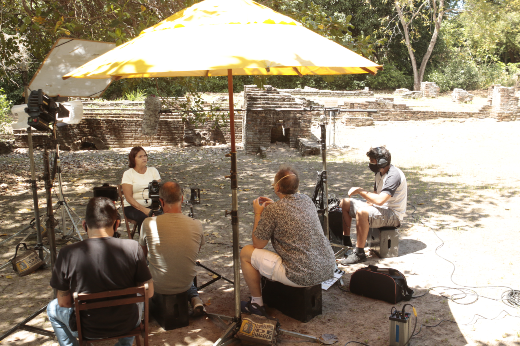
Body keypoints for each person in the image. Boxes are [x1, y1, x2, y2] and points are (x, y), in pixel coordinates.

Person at [47, 197, 154, 346]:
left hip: (86, 328)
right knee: (138, 298)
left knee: (52, 308)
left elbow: (64, 302)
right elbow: (149, 292)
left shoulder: (67, 253)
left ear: (84, 225)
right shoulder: (133, 248)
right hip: (127, 324)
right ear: (117, 224)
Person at [240, 165, 335, 316]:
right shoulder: (306, 200)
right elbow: (289, 210)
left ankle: (256, 303)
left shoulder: (274, 210)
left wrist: (258, 214)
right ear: (296, 186)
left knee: (246, 252)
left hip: (300, 274)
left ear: (277, 186)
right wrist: (275, 206)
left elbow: (258, 244)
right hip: (327, 267)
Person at [139, 181, 205, 316]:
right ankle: (195, 298)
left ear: (161, 201)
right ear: (181, 199)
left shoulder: (148, 223)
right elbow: (195, 252)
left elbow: (142, 255)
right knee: (183, 263)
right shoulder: (197, 224)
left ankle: (143, 307)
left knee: (145, 265)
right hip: (186, 282)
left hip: (158, 285)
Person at [339, 146, 407, 265]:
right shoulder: (379, 173)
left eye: (372, 161)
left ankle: (359, 253)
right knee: (345, 203)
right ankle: (346, 242)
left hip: (393, 214)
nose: (370, 164)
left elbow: (380, 200)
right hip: (381, 209)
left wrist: (360, 191)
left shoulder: (393, 175)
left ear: (381, 162)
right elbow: (374, 196)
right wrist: (365, 205)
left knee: (362, 212)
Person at [121, 146, 161, 230]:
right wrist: (145, 210)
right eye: (140, 156)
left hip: (153, 205)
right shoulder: (128, 174)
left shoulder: (153, 171)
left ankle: (165, 240)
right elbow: (128, 198)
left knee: (167, 214)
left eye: (145, 155)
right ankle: (145, 242)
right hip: (132, 207)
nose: (144, 158)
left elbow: (159, 192)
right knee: (145, 218)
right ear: (133, 159)